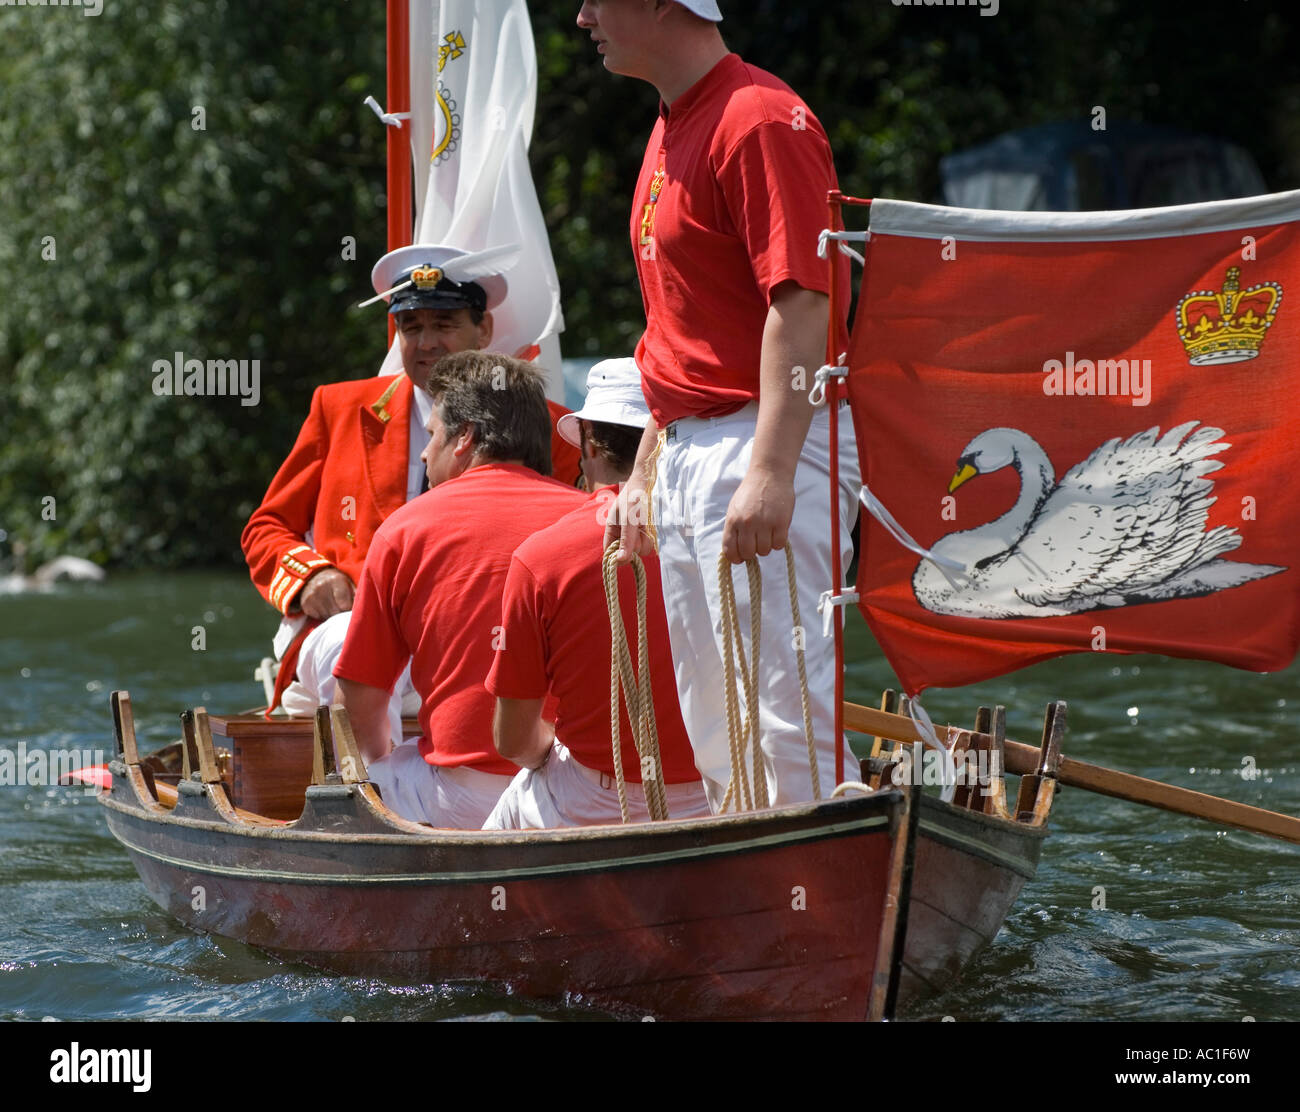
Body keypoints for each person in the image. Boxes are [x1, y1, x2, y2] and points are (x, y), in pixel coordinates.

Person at [578, 0, 861, 809]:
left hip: (765, 436)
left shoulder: (761, 118)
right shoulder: (673, 124)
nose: (583, 17)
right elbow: (676, 332)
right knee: (714, 722)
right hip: (695, 447)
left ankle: (823, 874)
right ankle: (757, 877)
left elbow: (803, 302)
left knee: (785, 713)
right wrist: (643, 473)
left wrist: (770, 471)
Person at [241, 244, 582, 746]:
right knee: (348, 650)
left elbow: (582, 545)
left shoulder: (553, 427)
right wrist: (312, 576)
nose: (426, 343)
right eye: (410, 326)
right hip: (356, 631)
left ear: (484, 330)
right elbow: (266, 529)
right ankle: (374, 780)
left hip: (490, 638)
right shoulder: (339, 409)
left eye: (444, 324)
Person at [333, 351, 588, 827]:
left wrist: (377, 764)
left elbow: (358, 701)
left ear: (465, 436)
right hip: (584, 792)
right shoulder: (596, 521)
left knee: (370, 773)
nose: (424, 453)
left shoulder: (403, 529)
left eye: (432, 434)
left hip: (461, 798)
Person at [483, 358, 711, 829]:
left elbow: (514, 741)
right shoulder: (724, 534)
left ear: (588, 442)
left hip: (594, 803)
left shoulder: (541, 556)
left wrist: (550, 752)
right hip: (723, 794)